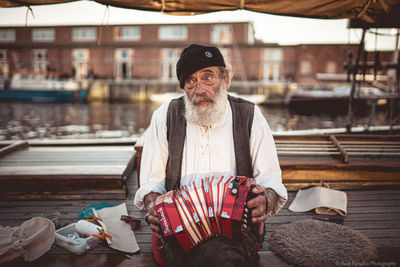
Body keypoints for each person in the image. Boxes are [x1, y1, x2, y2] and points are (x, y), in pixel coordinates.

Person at [134, 43, 287, 266]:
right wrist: (153, 206)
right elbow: (151, 185)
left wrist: (266, 198)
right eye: (191, 81)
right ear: (183, 87)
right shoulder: (165, 116)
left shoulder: (250, 115)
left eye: (208, 78)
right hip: (180, 230)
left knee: (219, 255)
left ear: (225, 80)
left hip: (239, 232)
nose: (199, 90)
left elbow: (271, 181)